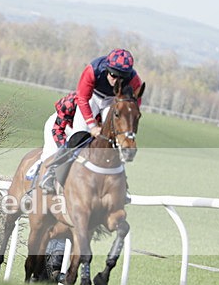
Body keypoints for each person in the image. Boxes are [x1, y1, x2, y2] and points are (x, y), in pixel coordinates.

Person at [38, 48, 143, 193]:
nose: (116, 80)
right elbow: (82, 98)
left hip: (113, 101)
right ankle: (52, 172)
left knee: (114, 138)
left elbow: (133, 105)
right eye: (113, 75)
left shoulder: (134, 80)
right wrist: (92, 125)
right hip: (90, 99)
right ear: (106, 69)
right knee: (79, 134)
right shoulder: (93, 70)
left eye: (122, 77)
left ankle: (121, 182)